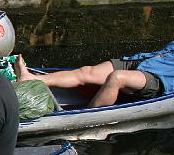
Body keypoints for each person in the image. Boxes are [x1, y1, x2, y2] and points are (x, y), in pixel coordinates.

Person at [14, 40, 174, 107]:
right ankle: (32, 79)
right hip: (142, 61)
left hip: (159, 79)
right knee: (86, 71)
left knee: (116, 78)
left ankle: (87, 115)